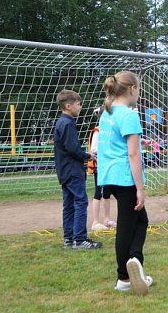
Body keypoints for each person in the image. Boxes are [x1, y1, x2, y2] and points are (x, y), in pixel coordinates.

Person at [98, 71, 151, 295]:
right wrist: (139, 187)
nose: (139, 93)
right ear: (131, 89)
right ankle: (125, 276)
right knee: (128, 226)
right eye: (138, 89)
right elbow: (133, 155)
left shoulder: (106, 112)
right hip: (124, 177)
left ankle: (134, 265)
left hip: (108, 176)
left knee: (140, 221)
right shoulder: (129, 115)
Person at [54, 89, 102, 250]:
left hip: (64, 170)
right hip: (72, 170)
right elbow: (73, 149)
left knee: (69, 204)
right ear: (68, 105)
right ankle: (80, 239)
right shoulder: (67, 123)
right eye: (78, 104)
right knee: (80, 201)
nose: (80, 107)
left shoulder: (61, 122)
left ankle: (69, 239)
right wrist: (88, 156)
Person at [87, 107, 115, 231]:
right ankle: (95, 222)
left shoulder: (109, 130)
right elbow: (93, 149)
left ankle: (107, 219)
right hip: (100, 166)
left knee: (107, 193)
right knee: (99, 192)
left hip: (108, 165)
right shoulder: (98, 131)